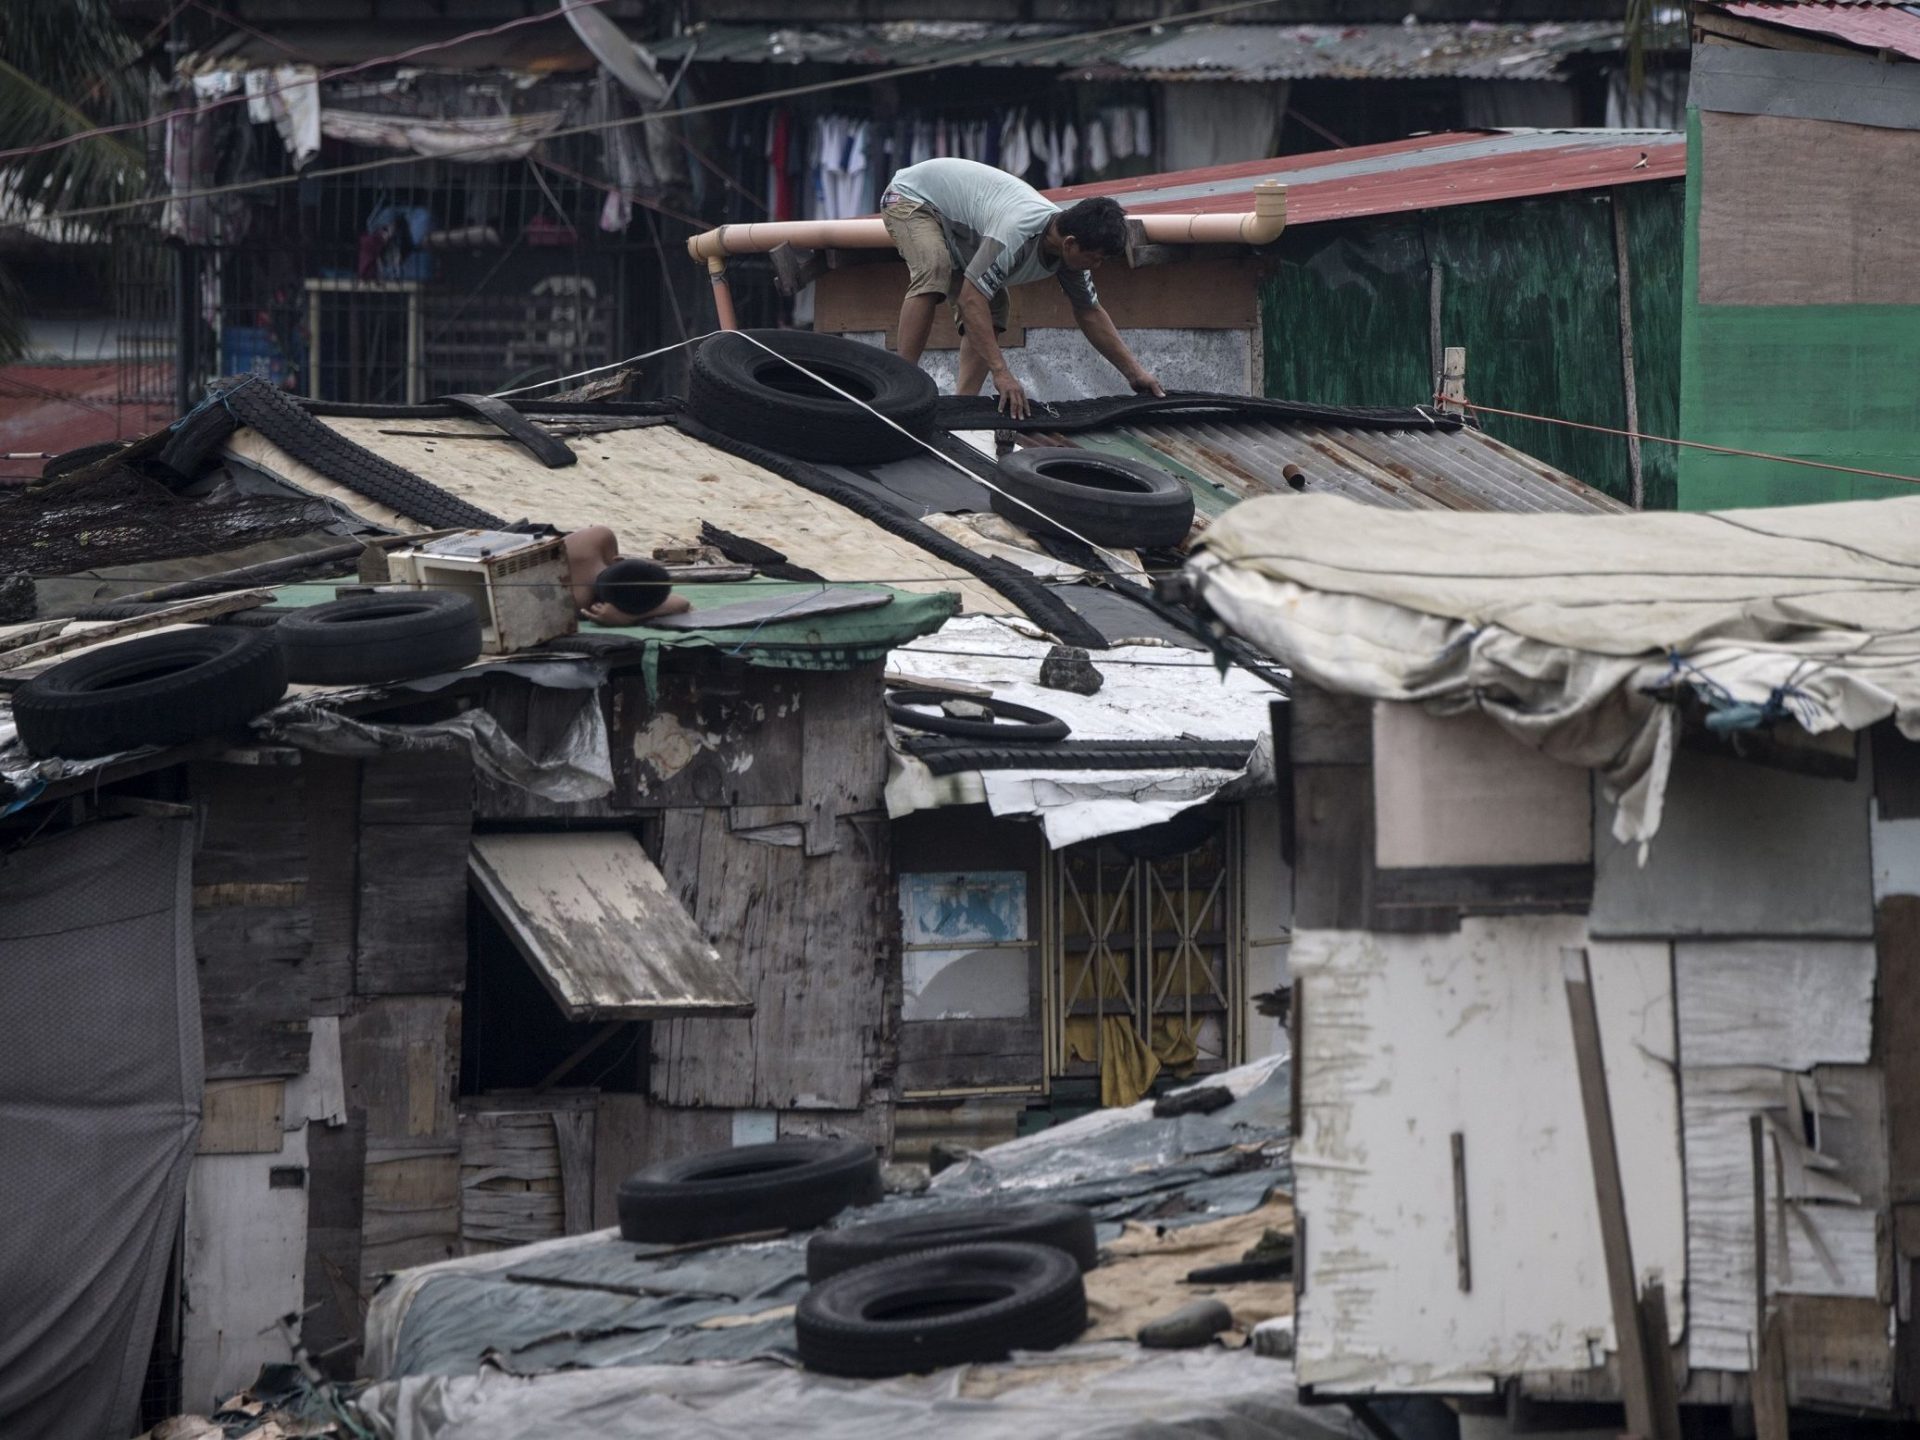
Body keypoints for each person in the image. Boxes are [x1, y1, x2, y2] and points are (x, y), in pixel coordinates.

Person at [880, 156, 1167, 420]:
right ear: (1069, 243)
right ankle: (902, 383)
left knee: (994, 305)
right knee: (935, 269)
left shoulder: (1071, 251)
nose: (1096, 266)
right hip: (912, 198)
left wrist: (1135, 372)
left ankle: (961, 406)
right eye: (1094, 258)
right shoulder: (1016, 233)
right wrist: (1001, 373)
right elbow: (969, 298)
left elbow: (1090, 311)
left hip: (954, 221)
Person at [564, 526, 692, 625]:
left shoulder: (599, 536)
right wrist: (630, 617)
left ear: (619, 560)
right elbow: (682, 604)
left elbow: (682, 603)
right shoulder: (581, 604)